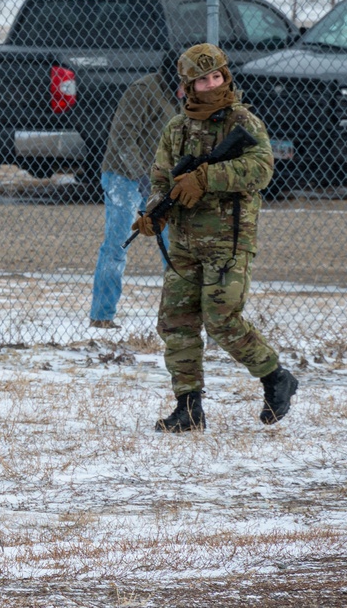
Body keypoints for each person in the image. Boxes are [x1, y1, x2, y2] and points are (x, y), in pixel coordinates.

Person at [132, 43, 299, 432]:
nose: (212, 84)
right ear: (188, 86)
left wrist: (207, 177)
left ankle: (276, 377)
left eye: (217, 76)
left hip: (228, 241)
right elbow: (160, 179)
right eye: (203, 79)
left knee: (221, 319)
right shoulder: (177, 129)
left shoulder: (242, 122)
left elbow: (261, 169)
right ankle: (188, 408)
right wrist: (154, 214)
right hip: (185, 243)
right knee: (176, 322)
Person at [89, 52, 180, 329]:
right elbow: (122, 136)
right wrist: (140, 175)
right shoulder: (143, 91)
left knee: (175, 249)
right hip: (125, 177)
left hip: (160, 181)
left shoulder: (186, 97)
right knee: (117, 245)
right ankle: (102, 316)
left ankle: (176, 318)